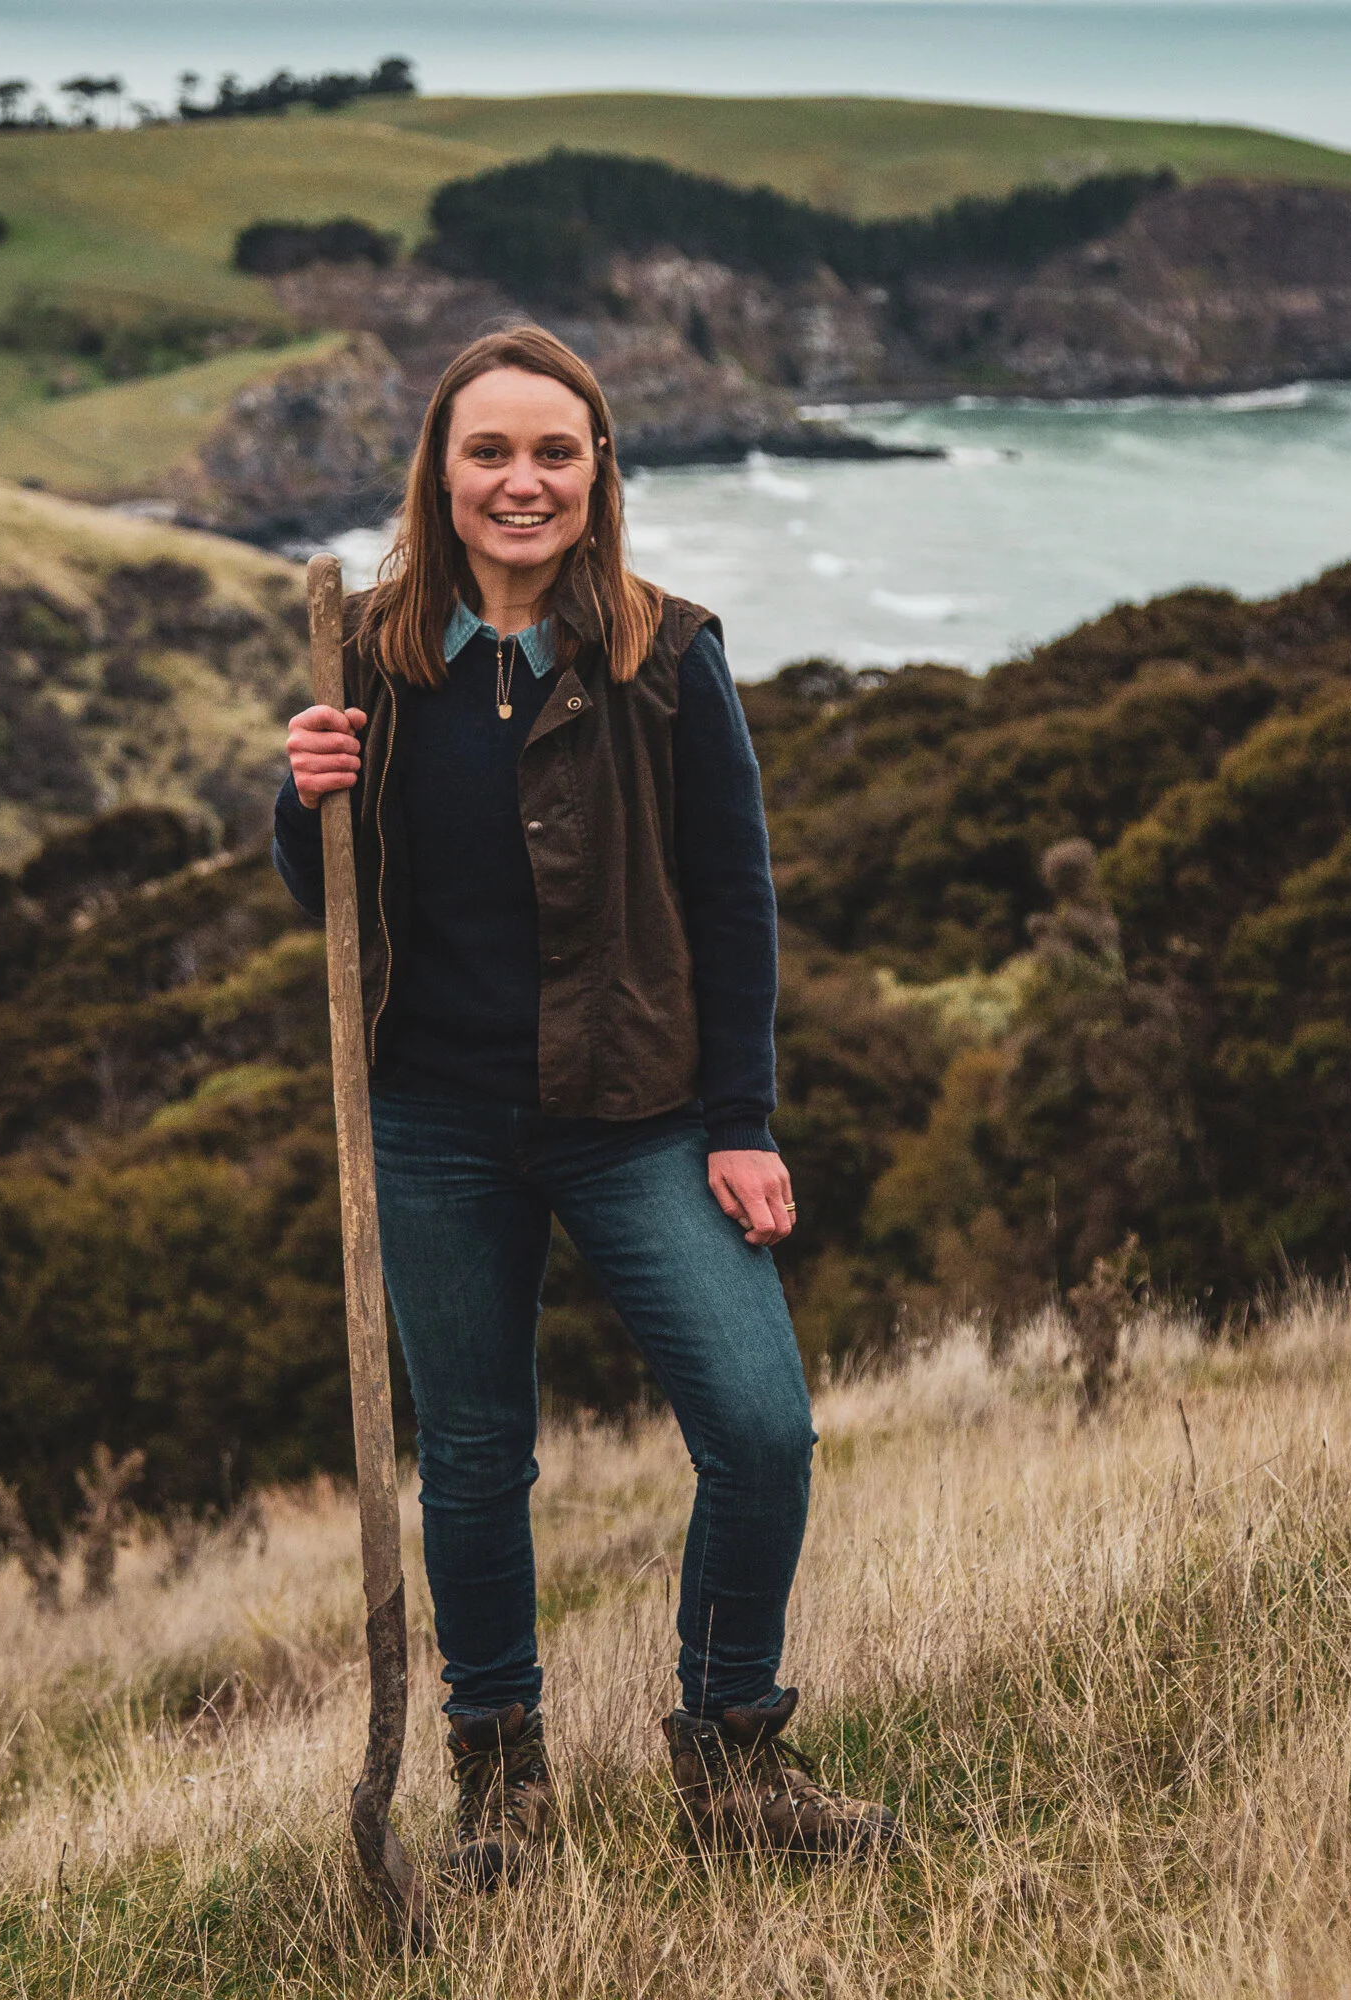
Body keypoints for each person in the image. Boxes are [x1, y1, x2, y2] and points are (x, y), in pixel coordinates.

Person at [272, 325, 895, 1884]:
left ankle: (731, 1760)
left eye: (556, 451)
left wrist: (744, 1121)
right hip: (430, 1122)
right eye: (491, 452)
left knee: (759, 1430)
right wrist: (306, 796)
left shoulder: (670, 654)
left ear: (599, 468)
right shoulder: (371, 653)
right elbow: (328, 900)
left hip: (642, 1117)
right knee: (476, 1460)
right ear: (443, 470)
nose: (523, 480)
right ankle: (503, 1797)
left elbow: (736, 900)